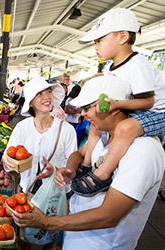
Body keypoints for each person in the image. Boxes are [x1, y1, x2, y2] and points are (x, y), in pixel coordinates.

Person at [12, 75, 165, 250]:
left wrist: (47, 222)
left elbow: (109, 216)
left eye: (87, 107)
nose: (82, 114)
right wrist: (67, 169)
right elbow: (77, 154)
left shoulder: (143, 151)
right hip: (76, 238)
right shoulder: (104, 136)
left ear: (113, 108)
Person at [72, 8, 165, 196]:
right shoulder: (110, 69)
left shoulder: (137, 64)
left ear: (122, 37)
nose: (96, 46)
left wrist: (118, 105)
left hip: (156, 113)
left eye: (99, 40)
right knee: (95, 126)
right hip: (134, 111)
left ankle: (103, 175)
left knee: (124, 129)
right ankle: (87, 164)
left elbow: (147, 101)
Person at [2, 77, 77, 194]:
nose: (47, 97)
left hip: (56, 194)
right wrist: (7, 160)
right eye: (39, 94)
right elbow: (7, 157)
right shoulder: (22, 127)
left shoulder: (67, 130)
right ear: (30, 102)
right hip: (27, 190)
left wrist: (56, 171)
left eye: (49, 91)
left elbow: (72, 166)